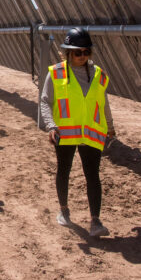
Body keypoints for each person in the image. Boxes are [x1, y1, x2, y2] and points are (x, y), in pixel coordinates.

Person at [40, 27, 116, 238]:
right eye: (78, 52)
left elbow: (103, 102)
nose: (82, 56)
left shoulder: (99, 74)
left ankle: (95, 221)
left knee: (93, 176)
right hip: (65, 133)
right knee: (63, 171)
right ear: (68, 52)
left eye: (86, 52)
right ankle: (64, 211)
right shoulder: (56, 73)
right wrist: (51, 126)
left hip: (91, 133)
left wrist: (110, 127)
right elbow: (45, 101)